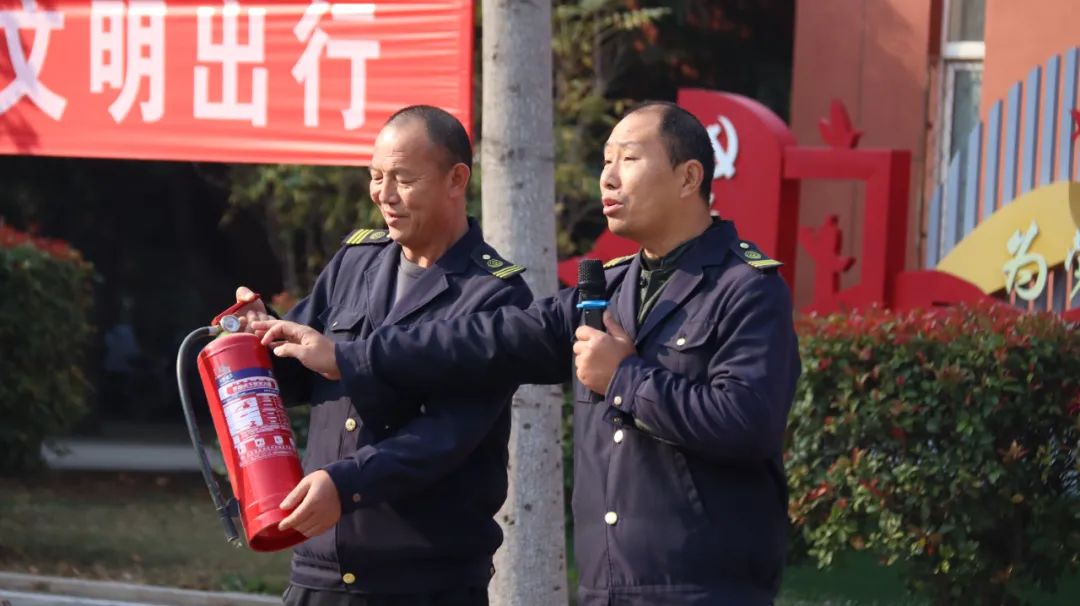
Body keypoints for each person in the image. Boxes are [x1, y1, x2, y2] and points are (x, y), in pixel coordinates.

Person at [256, 102, 801, 605]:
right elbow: (482, 341)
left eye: (629, 160)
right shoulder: (607, 289)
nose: (607, 178)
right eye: (605, 161)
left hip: (706, 592)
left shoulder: (746, 287)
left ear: (689, 177)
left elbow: (746, 423)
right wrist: (349, 358)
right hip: (606, 588)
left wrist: (624, 377)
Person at [234, 105, 532, 606]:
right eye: (375, 177)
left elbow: (444, 437)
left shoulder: (494, 297)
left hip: (424, 583)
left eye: (403, 178)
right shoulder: (355, 261)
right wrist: (258, 340)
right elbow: (302, 377)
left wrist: (344, 484)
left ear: (456, 178)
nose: (384, 195)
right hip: (319, 573)